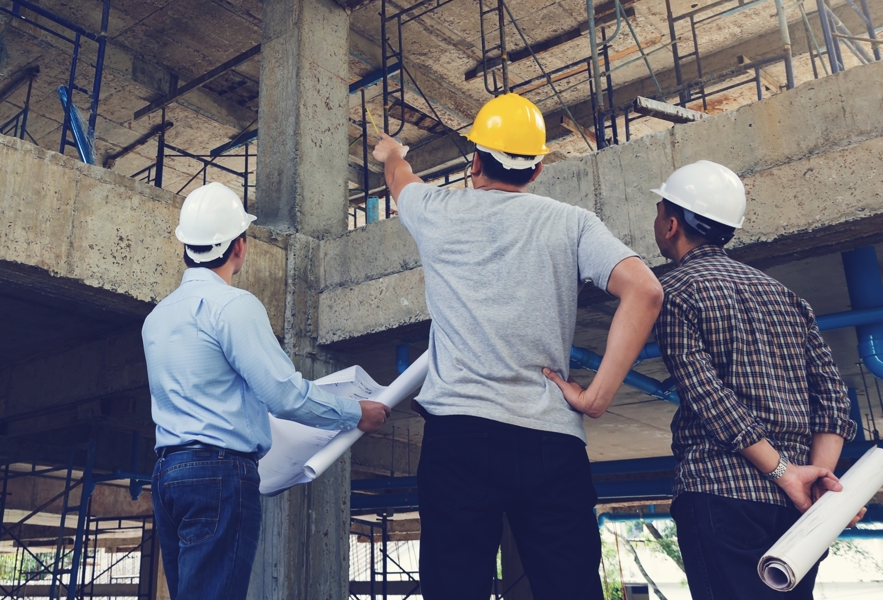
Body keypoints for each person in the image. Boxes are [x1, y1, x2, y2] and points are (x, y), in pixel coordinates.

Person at [373, 93, 664, 600]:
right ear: (537, 170)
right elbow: (645, 290)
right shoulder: (571, 222)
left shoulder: (437, 210)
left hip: (459, 437)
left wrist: (392, 154)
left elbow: (400, 182)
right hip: (550, 440)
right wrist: (596, 397)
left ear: (475, 162)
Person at [142, 182, 391, 600]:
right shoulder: (234, 307)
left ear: (185, 245)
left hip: (168, 475)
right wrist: (356, 414)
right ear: (239, 246)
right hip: (219, 474)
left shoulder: (156, 318)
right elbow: (284, 395)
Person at [650, 160, 859, 599]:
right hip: (799, 511)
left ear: (670, 225)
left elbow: (708, 396)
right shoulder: (787, 297)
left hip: (720, 492)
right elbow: (834, 400)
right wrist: (818, 480)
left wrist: (786, 473)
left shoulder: (675, 291)